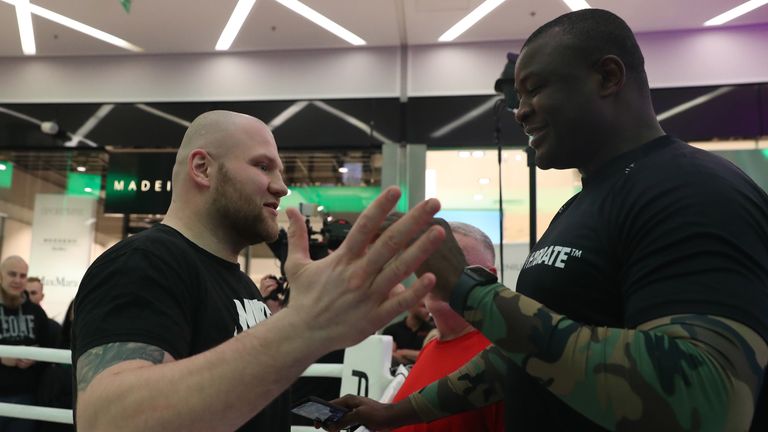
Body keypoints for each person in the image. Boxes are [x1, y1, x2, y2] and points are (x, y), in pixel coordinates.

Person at [328, 9, 768, 432]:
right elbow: (526, 356)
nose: (520, 111)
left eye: (535, 89)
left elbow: (708, 400)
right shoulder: (584, 203)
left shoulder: (692, 189)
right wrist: (398, 413)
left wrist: (466, 289)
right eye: (518, 98)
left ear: (608, 77)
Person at [71, 110, 448, 431]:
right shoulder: (143, 262)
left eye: (279, 170)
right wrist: (305, 325)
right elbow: (107, 420)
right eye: (262, 165)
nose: (281, 186)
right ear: (202, 168)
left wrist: (314, 333)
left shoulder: (242, 286)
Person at [389, 222, 503, 432]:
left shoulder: (499, 357)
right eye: (429, 262)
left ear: (489, 275)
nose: (437, 274)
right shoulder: (431, 348)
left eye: (452, 263)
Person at [0, 256, 53, 432]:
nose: (18, 280)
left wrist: (36, 358)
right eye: (12, 274)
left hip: (26, 397)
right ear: (1, 276)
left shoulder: (37, 313)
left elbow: (50, 350)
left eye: (23, 275)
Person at [382, 300, 433, 366]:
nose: (428, 311)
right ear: (411, 307)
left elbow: (430, 356)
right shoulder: (392, 330)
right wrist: (414, 357)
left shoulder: (432, 331)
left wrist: (403, 352)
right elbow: (388, 356)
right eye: (424, 307)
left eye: (429, 308)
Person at [26, 277, 63, 346]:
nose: (28, 297)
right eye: (25, 293)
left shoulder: (54, 328)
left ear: (42, 296)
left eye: (33, 293)